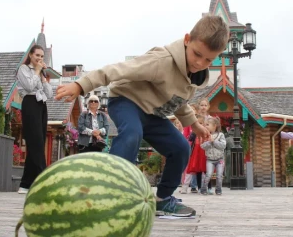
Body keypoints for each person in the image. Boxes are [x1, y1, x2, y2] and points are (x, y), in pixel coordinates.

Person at [55, 15, 229, 217]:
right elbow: (115, 71)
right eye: (197, 54)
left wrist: (195, 126)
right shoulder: (160, 61)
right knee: (132, 133)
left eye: (208, 59)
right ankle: (108, 194)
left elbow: (179, 102)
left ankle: (162, 200)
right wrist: (80, 85)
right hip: (125, 101)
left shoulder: (194, 77)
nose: (200, 63)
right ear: (187, 39)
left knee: (180, 147)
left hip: (153, 115)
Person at [15, 45, 53, 194]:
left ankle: (25, 184)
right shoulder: (23, 69)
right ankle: (44, 179)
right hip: (30, 103)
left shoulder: (40, 73)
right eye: (37, 55)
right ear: (31, 55)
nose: (39, 58)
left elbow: (49, 94)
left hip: (41, 106)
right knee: (35, 141)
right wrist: (36, 71)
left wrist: (43, 77)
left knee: (39, 142)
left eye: (42, 56)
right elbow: (29, 86)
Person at [200, 116, 226, 195]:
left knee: (219, 175)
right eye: (205, 124)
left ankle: (218, 189)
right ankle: (204, 188)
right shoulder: (205, 135)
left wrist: (214, 141)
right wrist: (209, 142)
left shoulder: (221, 135)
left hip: (220, 159)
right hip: (210, 160)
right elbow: (202, 146)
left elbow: (223, 146)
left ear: (214, 126)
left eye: (207, 124)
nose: (205, 126)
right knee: (208, 174)